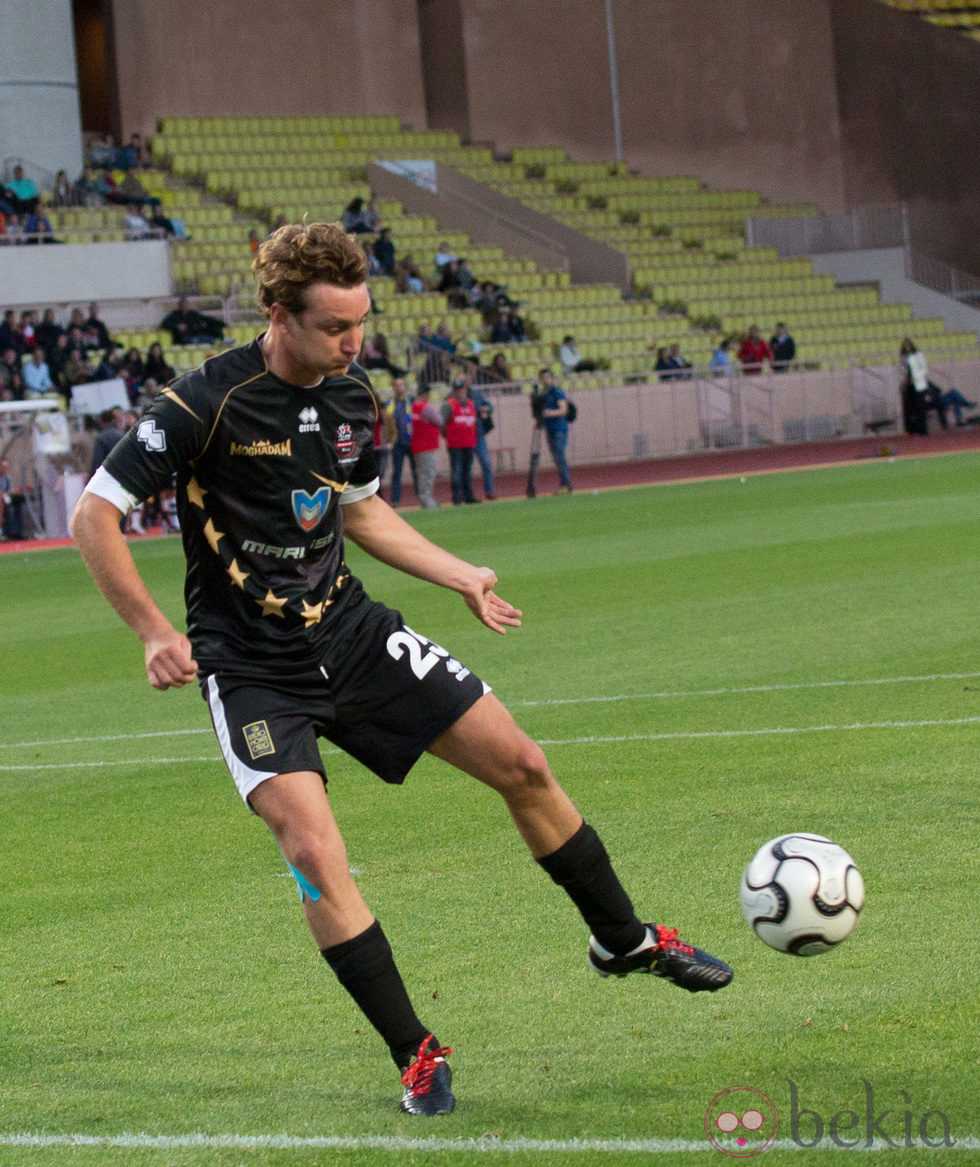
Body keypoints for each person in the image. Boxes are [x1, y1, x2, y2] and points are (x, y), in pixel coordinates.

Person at [68, 220, 732, 1117]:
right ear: (278, 315)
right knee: (312, 850)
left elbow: (363, 515)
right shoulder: (203, 403)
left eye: (362, 322)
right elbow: (93, 513)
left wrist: (459, 573)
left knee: (524, 764)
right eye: (336, 327)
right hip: (252, 667)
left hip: (350, 632)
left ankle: (625, 938)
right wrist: (152, 629)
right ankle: (415, 1051)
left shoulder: (352, 398)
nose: (355, 343)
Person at [442, 375, 480, 505]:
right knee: (457, 471)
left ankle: (468, 494)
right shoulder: (449, 405)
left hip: (469, 443)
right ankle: (456, 496)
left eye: (461, 389)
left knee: (467, 471)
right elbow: (442, 424)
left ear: (464, 389)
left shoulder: (470, 404)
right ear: (453, 391)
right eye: (456, 390)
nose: (459, 392)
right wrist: (448, 437)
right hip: (455, 444)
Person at [534, 368, 573, 493]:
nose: (545, 380)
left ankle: (566, 484)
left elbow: (563, 410)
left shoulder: (557, 392)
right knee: (556, 457)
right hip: (549, 429)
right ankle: (564, 484)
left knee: (559, 455)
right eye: (543, 378)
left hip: (559, 429)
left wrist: (549, 413)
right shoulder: (542, 394)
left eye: (547, 377)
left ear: (551, 378)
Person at [410, 382, 441, 509]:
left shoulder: (413, 406)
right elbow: (439, 421)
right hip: (427, 445)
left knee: (422, 474)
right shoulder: (426, 407)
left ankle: (424, 499)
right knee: (428, 473)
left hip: (417, 444)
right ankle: (427, 499)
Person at [468, 379, 496, 499]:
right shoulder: (453, 397)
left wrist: (487, 409)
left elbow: (488, 405)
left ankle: (489, 490)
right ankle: (466, 494)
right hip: (463, 436)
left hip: (478, 433)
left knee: (486, 462)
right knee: (465, 467)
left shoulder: (476, 393)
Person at [160, 297, 226, 345]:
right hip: (183, 340)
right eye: (183, 305)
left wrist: (222, 324)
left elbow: (206, 319)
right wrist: (176, 326)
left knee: (211, 330)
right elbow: (164, 324)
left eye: (186, 305)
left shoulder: (192, 314)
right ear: (179, 306)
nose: (184, 307)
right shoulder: (174, 315)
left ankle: (224, 339)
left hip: (195, 337)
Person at [0, 457, 26, 540]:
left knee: (19, 508)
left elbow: (10, 491)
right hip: (1, 502)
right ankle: (11, 533)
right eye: (3, 467)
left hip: (7, 500)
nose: (4, 469)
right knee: (10, 510)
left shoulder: (8, 479)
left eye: (6, 467)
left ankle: (18, 533)